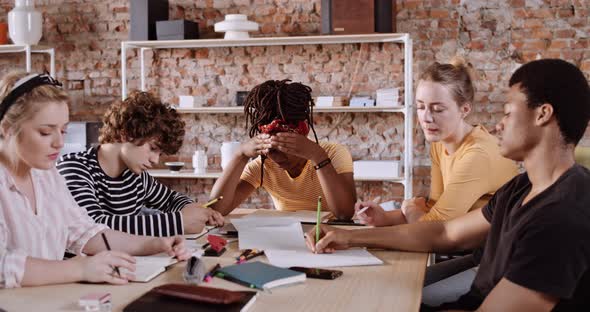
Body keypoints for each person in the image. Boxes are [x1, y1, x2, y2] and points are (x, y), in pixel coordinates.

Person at [306, 59, 590, 311]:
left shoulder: (563, 215)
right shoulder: (522, 186)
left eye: (507, 113)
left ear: (542, 115)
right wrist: (348, 237)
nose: (497, 126)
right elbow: (446, 232)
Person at [0, 72, 190, 288]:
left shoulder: (47, 177)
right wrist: (81, 268)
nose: (59, 142)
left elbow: (87, 232)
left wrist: (157, 244)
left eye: (63, 131)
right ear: (6, 129)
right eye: (45, 132)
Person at [356, 57, 517, 226]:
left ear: (465, 109)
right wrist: (384, 218)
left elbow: (435, 227)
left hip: (494, 248)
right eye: (420, 107)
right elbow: (434, 209)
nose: (425, 118)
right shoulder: (440, 144)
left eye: (437, 109)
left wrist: (410, 208)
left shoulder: (477, 154)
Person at [57, 91, 224, 236]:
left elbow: (171, 200)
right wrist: (178, 222)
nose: (155, 160)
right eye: (152, 148)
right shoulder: (75, 169)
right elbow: (94, 226)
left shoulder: (136, 177)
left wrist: (195, 211)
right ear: (126, 134)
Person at [210, 79, 356, 219]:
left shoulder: (333, 154)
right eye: (271, 151)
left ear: (301, 137)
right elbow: (216, 209)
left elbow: (345, 213)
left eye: (284, 147)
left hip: (330, 238)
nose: (278, 158)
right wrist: (240, 155)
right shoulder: (264, 166)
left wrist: (318, 156)